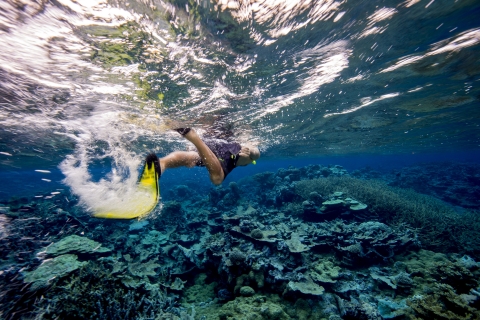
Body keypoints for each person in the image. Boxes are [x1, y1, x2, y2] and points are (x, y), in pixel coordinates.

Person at [147, 128, 260, 185]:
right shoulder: (244, 153)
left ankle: (161, 164)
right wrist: (250, 149)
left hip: (209, 146)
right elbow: (255, 151)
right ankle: (194, 137)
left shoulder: (245, 157)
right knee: (217, 180)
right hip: (225, 148)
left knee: (192, 158)